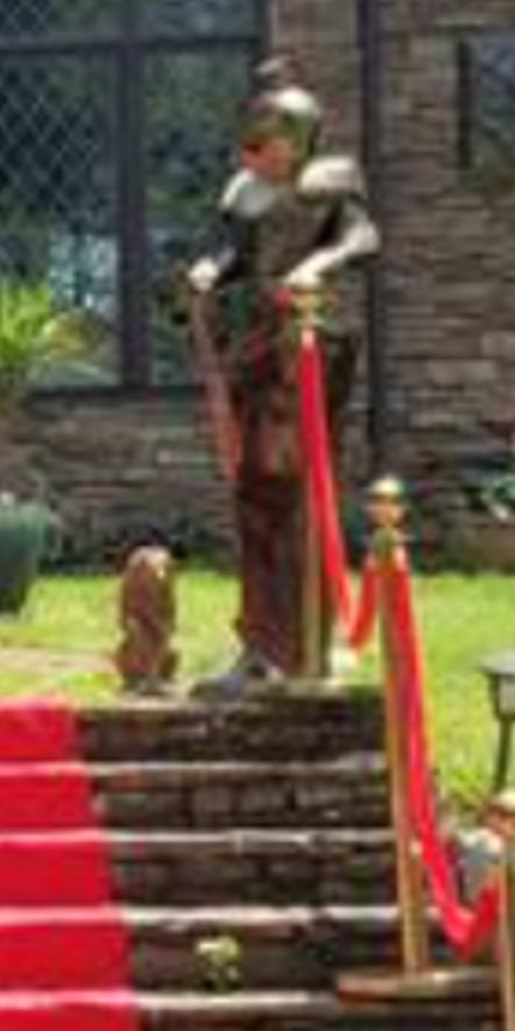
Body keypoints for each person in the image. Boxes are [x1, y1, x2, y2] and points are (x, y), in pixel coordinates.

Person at [183, 58, 379, 694]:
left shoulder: (332, 181)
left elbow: (362, 237)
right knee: (254, 488)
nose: (254, 161)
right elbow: (236, 253)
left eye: (263, 148)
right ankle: (260, 642)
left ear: (296, 143)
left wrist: (318, 266)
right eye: (248, 149)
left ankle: (309, 641)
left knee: (297, 486)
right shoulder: (245, 191)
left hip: (314, 345)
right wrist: (211, 271)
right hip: (262, 343)